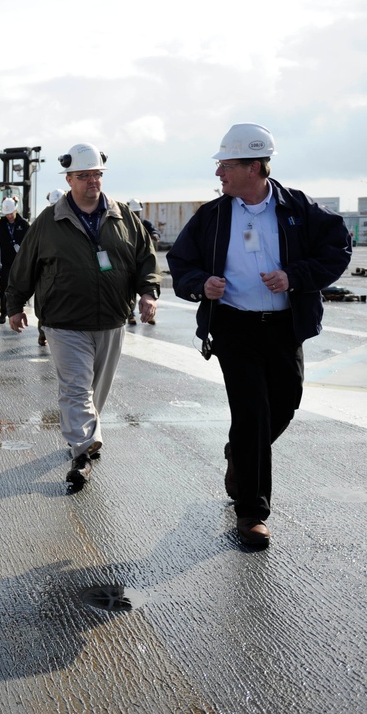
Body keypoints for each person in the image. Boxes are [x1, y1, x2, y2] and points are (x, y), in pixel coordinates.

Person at [167, 123, 352, 548]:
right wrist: (201, 284)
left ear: (254, 167)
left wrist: (296, 277)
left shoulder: (297, 208)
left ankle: (240, 454)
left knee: (284, 405)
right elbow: (181, 263)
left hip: (284, 327)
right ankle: (252, 512)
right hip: (234, 327)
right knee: (252, 412)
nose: (219, 174)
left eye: (226, 165)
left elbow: (337, 246)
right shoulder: (212, 216)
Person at [6, 142, 160, 490]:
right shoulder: (50, 220)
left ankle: (87, 434)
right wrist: (15, 306)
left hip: (111, 319)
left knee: (96, 389)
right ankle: (81, 451)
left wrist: (148, 293)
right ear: (69, 179)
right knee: (76, 389)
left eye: (96, 174)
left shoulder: (123, 217)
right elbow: (24, 266)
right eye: (84, 175)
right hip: (64, 321)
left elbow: (145, 259)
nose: (92, 181)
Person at [0, 197, 29, 325]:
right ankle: (4, 312)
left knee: (19, 287)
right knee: (4, 287)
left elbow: (29, 242)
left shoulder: (23, 224)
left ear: (16, 210)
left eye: (11, 213)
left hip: (19, 262)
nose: (9, 216)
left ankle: (17, 311)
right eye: (7, 214)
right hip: (4, 262)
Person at [126, 198, 162, 325]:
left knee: (147, 289)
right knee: (130, 289)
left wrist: (155, 235)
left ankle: (149, 314)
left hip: (143, 261)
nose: (136, 215)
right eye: (134, 213)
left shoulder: (144, 223)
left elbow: (154, 230)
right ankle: (130, 314)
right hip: (130, 260)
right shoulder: (124, 223)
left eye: (137, 213)